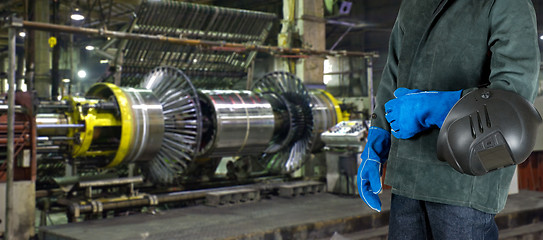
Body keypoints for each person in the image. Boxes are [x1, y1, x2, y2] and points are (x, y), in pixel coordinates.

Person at [356, 0, 540, 239]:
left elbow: (514, 98)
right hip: (408, 176)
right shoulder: (413, 5)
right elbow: (393, 73)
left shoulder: (504, 3)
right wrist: (375, 143)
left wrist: (435, 107)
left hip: (463, 183)